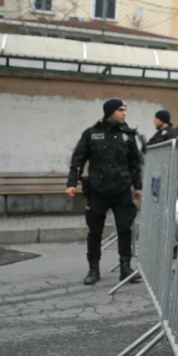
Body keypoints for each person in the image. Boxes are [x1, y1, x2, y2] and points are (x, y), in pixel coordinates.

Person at [65, 99, 143, 285]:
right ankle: (93, 269)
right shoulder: (91, 134)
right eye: (121, 110)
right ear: (110, 112)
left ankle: (125, 268)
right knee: (95, 231)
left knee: (125, 229)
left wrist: (137, 186)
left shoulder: (128, 135)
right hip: (98, 190)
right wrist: (72, 183)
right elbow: (78, 161)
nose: (125, 114)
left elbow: (135, 163)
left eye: (125, 110)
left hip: (122, 190)